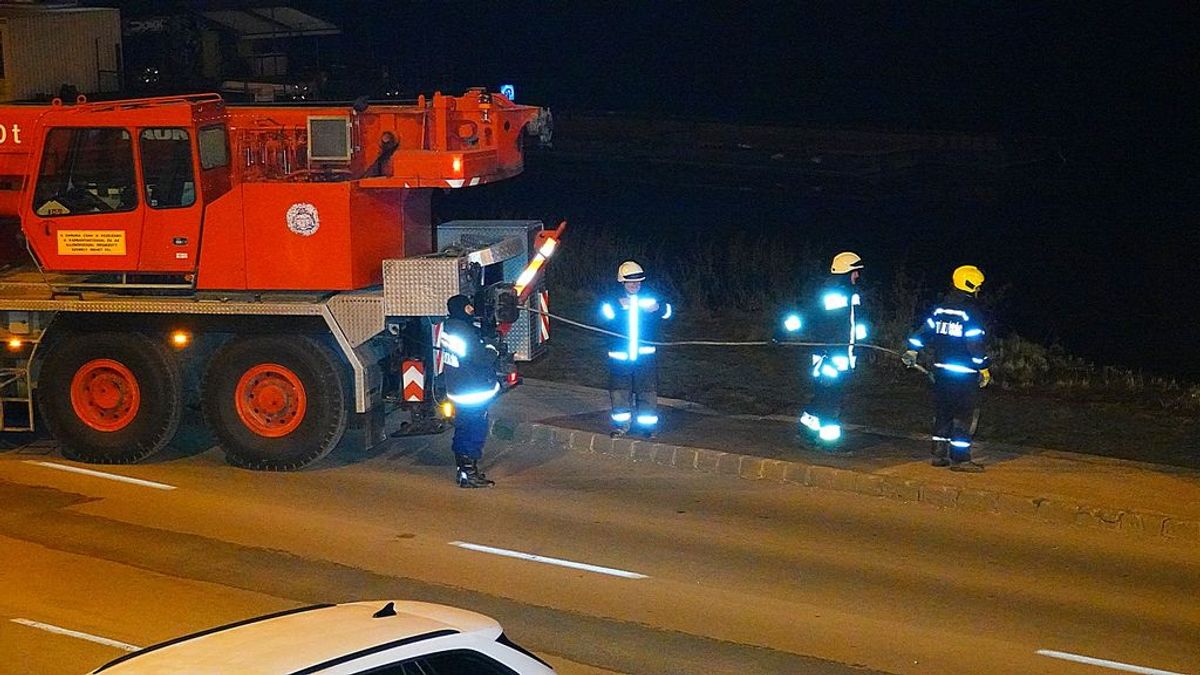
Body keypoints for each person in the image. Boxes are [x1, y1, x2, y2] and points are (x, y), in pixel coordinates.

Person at [902, 265, 992, 472]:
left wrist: (912, 351)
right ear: (970, 285)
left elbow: (924, 332)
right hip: (964, 374)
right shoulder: (971, 312)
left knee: (943, 412)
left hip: (940, 371)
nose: (979, 290)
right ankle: (961, 459)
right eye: (978, 286)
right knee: (963, 416)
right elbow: (974, 344)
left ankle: (939, 455)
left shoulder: (941, 308)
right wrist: (984, 367)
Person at [784, 251, 868, 448]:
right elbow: (810, 318)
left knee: (824, 396)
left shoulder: (851, 296)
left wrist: (862, 347)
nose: (857, 276)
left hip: (842, 358)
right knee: (830, 400)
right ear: (846, 272)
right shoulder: (833, 295)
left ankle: (806, 432)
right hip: (829, 359)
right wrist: (780, 333)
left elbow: (854, 327)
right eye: (855, 272)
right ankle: (828, 442)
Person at [599, 261, 673, 438]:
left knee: (647, 392)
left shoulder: (650, 297)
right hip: (620, 357)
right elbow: (603, 316)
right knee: (620, 393)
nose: (635, 285)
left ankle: (647, 428)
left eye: (638, 282)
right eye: (631, 282)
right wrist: (618, 307)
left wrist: (659, 308)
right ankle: (621, 426)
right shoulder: (612, 300)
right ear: (622, 282)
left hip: (645, 357)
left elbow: (669, 313)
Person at [439, 294, 500, 488]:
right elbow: (481, 358)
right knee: (473, 430)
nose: (472, 310)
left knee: (464, 428)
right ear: (461, 309)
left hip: (459, 387)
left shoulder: (451, 328)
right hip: (470, 390)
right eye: (468, 307)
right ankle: (468, 473)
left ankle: (464, 471)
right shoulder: (462, 332)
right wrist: (492, 346)